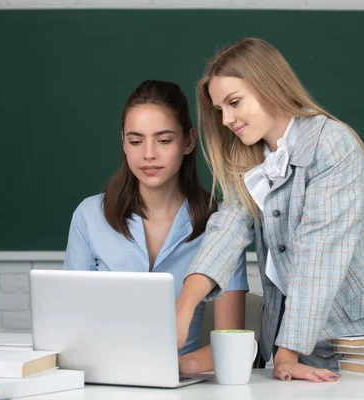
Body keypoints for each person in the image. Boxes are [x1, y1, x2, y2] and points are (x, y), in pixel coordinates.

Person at [174, 38, 364, 382]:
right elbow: (227, 231)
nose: (227, 119)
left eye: (234, 103)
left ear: (269, 85)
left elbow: (319, 256)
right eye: (220, 109)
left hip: (358, 342)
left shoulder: (332, 144)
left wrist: (287, 353)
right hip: (289, 345)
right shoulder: (246, 157)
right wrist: (185, 305)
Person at [63, 80, 248, 374]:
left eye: (164, 140)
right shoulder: (89, 216)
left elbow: (231, 344)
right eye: (136, 141)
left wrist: (171, 367)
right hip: (100, 377)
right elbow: (68, 327)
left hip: (180, 381)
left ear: (188, 141)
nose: (148, 154)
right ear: (123, 143)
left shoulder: (223, 225)